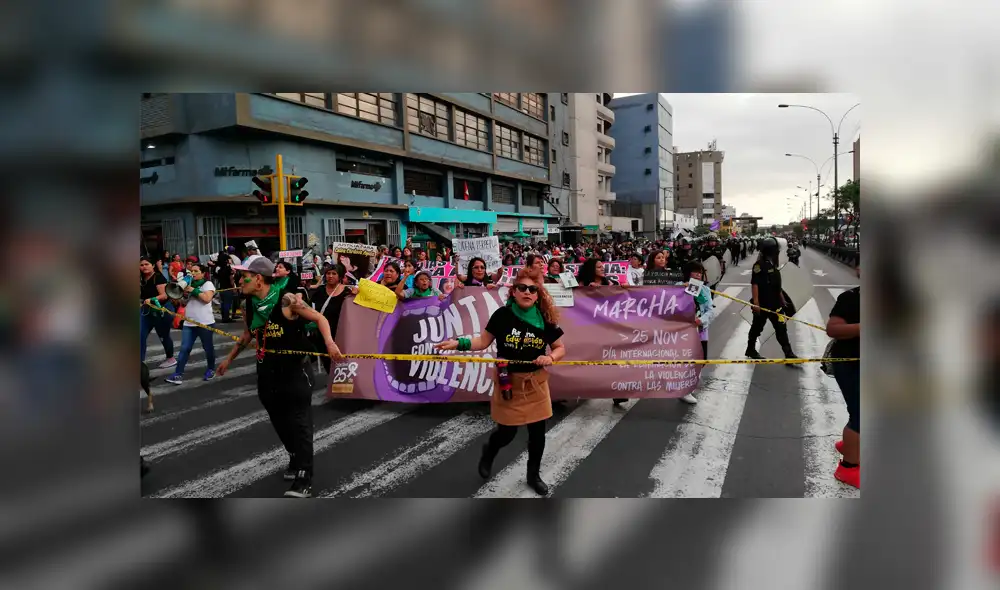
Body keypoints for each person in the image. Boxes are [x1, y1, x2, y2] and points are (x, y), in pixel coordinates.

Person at [218, 256, 344, 498]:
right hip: (267, 371)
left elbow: (320, 318)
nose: (238, 280)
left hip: (295, 370)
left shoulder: (287, 300)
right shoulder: (249, 304)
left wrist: (329, 343)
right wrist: (228, 359)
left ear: (257, 279)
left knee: (299, 423)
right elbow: (248, 335)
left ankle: (304, 478)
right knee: (279, 420)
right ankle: (295, 456)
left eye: (243, 276)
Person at [435, 267, 566, 496]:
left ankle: (533, 475)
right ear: (513, 291)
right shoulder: (502, 315)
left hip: (535, 382)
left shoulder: (544, 319)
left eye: (532, 289)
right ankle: (490, 450)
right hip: (509, 381)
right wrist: (459, 343)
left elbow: (560, 347)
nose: (527, 292)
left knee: (537, 434)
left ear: (538, 294)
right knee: (507, 433)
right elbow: (483, 342)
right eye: (522, 288)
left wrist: (551, 357)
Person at [826, 261, 860, 489]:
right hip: (850, 363)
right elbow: (833, 329)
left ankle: (851, 443)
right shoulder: (850, 299)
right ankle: (848, 468)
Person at [165, 262, 218, 385]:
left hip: (205, 323)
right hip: (189, 323)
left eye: (196, 271)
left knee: (208, 348)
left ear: (203, 273)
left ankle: (211, 369)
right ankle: (178, 374)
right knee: (184, 348)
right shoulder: (188, 285)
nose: (193, 274)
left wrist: (192, 290)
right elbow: (184, 303)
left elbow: (207, 299)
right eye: (191, 271)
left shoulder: (207, 284)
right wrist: (178, 297)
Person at [746, 237, 798, 360]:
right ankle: (751, 349)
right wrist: (756, 303)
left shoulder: (773, 264)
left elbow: (777, 285)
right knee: (757, 328)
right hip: (763, 303)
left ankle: (788, 353)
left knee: (781, 327)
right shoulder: (759, 265)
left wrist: (782, 299)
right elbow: (755, 284)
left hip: (775, 303)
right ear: (772, 251)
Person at [310, 263, 358, 374]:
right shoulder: (319, 292)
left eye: (334, 273)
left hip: (342, 335)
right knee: (329, 366)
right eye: (328, 273)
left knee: (343, 366)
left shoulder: (348, 291)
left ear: (340, 276)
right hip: (323, 335)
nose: (330, 276)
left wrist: (356, 294)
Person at [140, 256, 176, 372]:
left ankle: (170, 358)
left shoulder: (158, 278)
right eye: (141, 265)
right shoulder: (141, 278)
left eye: (146, 264)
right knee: (139, 335)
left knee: (163, 336)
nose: (144, 267)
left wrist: (151, 299)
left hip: (161, 310)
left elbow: (164, 295)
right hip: (146, 311)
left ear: (153, 265)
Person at [214, 249, 237, 323]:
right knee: (228, 303)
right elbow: (231, 279)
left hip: (221, 288)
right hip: (228, 288)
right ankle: (226, 318)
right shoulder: (228, 269)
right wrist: (233, 287)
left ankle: (224, 317)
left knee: (223, 303)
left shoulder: (219, 269)